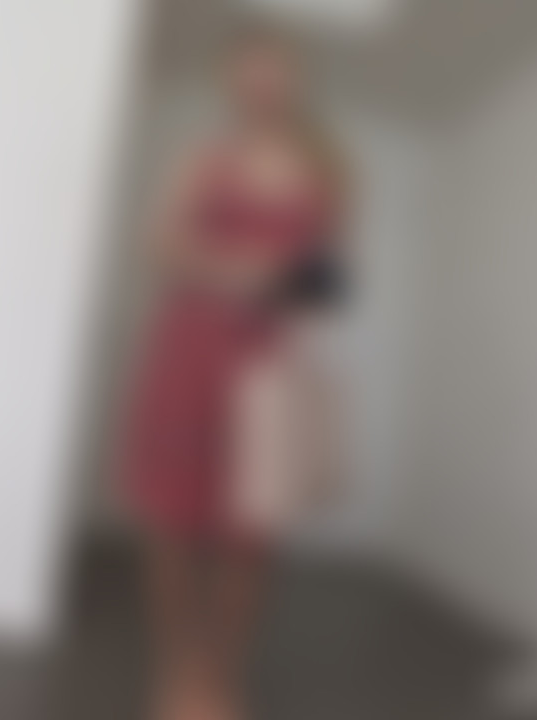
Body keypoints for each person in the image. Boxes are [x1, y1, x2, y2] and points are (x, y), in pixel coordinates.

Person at [119, 25, 348, 720]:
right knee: (173, 525)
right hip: (189, 350)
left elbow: (330, 283)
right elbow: (159, 245)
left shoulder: (327, 171)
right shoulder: (204, 157)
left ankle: (221, 677)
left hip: (272, 364)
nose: (261, 85)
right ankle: (178, 673)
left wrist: (301, 285)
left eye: (275, 72)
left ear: (295, 82)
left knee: (253, 540)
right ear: (228, 84)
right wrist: (239, 268)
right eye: (248, 73)